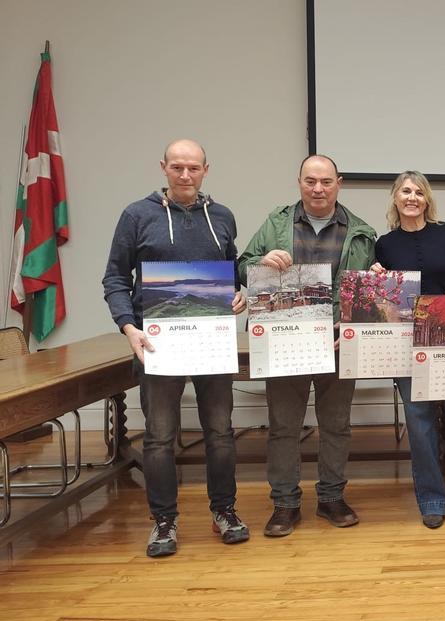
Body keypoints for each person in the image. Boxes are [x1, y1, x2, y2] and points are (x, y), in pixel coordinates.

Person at [102, 139, 249, 557]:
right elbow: (114, 278)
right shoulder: (137, 215)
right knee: (159, 437)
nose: (186, 175)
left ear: (206, 170)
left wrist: (239, 293)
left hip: (211, 344)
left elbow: (229, 270)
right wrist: (129, 328)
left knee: (220, 432)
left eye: (194, 168)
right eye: (177, 167)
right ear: (163, 167)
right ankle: (164, 521)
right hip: (156, 344)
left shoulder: (222, 216)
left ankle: (225, 511)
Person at [237, 154, 377, 537]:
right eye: (310, 181)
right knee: (283, 426)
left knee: (336, 425)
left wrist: (375, 279)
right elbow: (242, 264)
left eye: (326, 182)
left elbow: (369, 289)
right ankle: (284, 503)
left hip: (335, 341)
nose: (318, 188)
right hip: (284, 340)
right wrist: (261, 260)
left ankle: (331, 497)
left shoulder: (361, 232)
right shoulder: (277, 222)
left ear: (339, 183)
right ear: (299, 182)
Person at [372, 170, 445, 529]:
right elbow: (382, 302)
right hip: (407, 343)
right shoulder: (384, 245)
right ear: (395, 197)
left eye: (419, 192)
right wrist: (376, 278)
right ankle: (433, 499)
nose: (412, 198)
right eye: (405, 191)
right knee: (419, 426)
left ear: (427, 199)